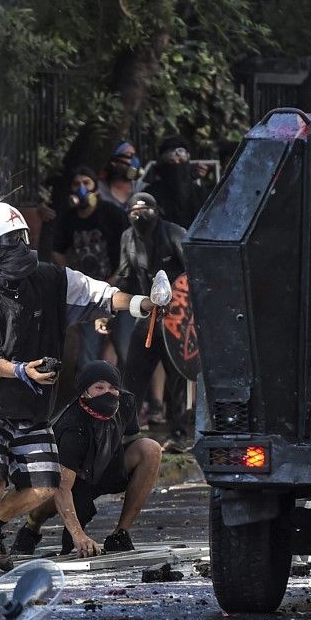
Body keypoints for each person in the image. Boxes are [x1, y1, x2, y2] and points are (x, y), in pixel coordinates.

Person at [0, 202, 169, 584]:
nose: (17, 247)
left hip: (32, 407)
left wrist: (140, 304)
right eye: (7, 242)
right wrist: (20, 370)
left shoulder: (52, 279)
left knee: (44, 487)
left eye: (20, 238)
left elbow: (100, 294)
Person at [9, 361, 162, 557]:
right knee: (48, 495)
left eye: (113, 388)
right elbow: (61, 486)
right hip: (74, 477)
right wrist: (78, 535)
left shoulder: (125, 402)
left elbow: (128, 435)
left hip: (106, 465)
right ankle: (31, 528)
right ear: (84, 392)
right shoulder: (73, 425)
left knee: (150, 449)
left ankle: (120, 534)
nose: (107, 393)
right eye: (99, 387)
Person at [113, 192, 191, 452]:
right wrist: (107, 305)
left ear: (157, 211)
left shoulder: (174, 233)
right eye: (133, 210)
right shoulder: (127, 237)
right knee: (132, 375)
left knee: (176, 378)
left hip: (177, 318)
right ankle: (126, 434)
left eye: (145, 209)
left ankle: (179, 434)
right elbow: (124, 276)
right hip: (148, 315)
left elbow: (195, 271)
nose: (139, 215)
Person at [51, 166, 130, 365]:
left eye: (86, 183)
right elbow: (57, 252)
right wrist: (74, 278)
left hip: (120, 289)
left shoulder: (111, 213)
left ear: (95, 187)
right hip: (90, 295)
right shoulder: (68, 219)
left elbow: (130, 246)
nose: (81, 188)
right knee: (88, 351)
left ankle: (132, 394)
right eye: (76, 184)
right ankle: (90, 393)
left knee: (126, 347)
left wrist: (116, 278)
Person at [144, 136, 210, 230]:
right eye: (171, 162)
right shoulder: (151, 195)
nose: (177, 166)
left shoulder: (200, 194)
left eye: (181, 161)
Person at [98, 141, 142, 211]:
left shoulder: (142, 189)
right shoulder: (98, 191)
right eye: (128, 154)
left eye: (134, 155)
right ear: (113, 161)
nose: (134, 161)